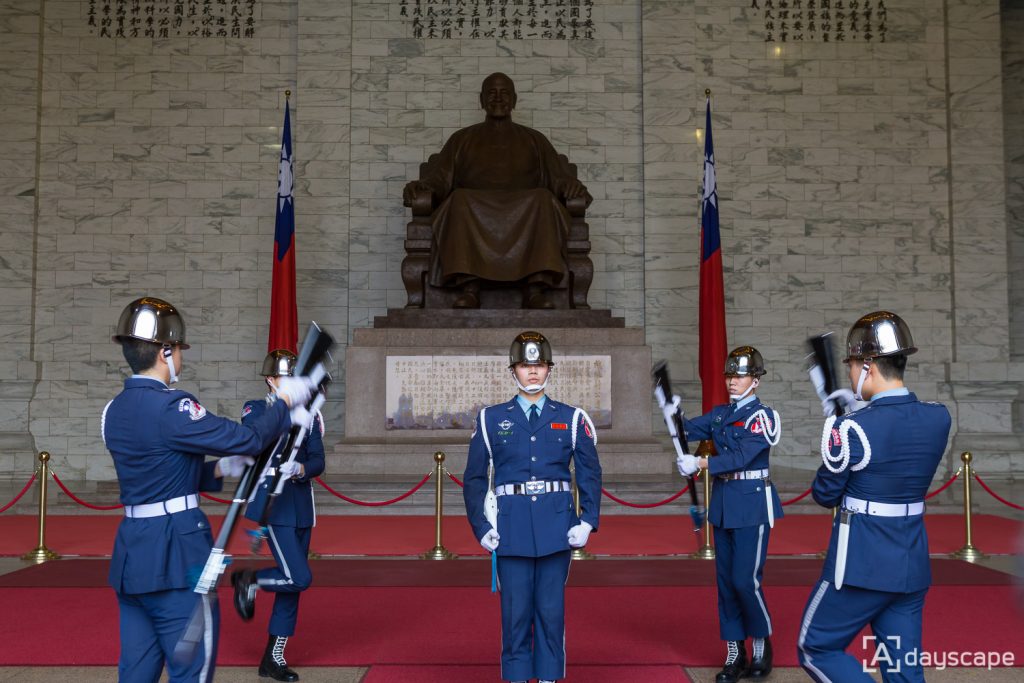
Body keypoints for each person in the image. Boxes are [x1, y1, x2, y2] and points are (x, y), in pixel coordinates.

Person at [103, 297, 311, 683]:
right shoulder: (174, 407)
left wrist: (221, 469)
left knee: (136, 671)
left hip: (133, 555)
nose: (180, 356)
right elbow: (248, 438)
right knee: (190, 670)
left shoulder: (113, 410)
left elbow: (161, 470)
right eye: (178, 349)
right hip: (177, 556)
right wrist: (283, 403)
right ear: (165, 351)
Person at [797, 311, 951, 682]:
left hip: (861, 564)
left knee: (816, 647)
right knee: (901, 667)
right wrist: (855, 416)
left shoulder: (852, 427)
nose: (850, 373)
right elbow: (894, 439)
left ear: (868, 365)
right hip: (911, 561)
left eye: (851, 364)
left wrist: (840, 427)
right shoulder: (938, 417)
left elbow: (825, 493)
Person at [463, 331, 602, 683]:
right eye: (526, 365)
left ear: (550, 369)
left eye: (539, 365)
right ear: (513, 370)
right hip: (510, 530)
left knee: (551, 614)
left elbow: (590, 473)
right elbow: (475, 479)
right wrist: (481, 527)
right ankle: (516, 676)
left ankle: (549, 677)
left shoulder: (571, 418)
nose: (533, 372)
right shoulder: (490, 418)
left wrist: (588, 520)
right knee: (515, 615)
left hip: (557, 528)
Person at [403, 72, 592, 309]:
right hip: (472, 208)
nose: (498, 98)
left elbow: (557, 179)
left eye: (504, 93)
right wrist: (422, 186)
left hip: (527, 208)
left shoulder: (535, 140)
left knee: (543, 198)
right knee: (459, 199)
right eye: (491, 93)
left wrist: (572, 187)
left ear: (514, 99)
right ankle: (469, 287)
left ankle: (535, 289)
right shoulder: (462, 139)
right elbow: (441, 180)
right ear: (481, 100)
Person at [677, 346, 783, 683]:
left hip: (751, 503)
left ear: (756, 381)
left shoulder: (762, 417)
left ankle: (762, 641)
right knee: (725, 584)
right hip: (724, 505)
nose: (732, 381)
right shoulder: (721, 414)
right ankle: (734, 651)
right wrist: (672, 414)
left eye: (739, 375)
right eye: (729, 375)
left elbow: (742, 457)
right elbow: (689, 430)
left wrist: (701, 463)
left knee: (745, 580)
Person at [231, 349, 326, 682]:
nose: (290, 383)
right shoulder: (257, 409)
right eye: (285, 378)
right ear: (271, 381)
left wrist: (301, 467)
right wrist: (288, 413)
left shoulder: (310, 414)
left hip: (300, 505)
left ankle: (273, 658)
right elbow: (256, 438)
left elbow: (318, 460)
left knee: (292, 585)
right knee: (299, 576)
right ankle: (249, 580)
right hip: (274, 506)